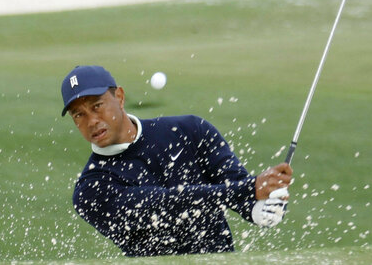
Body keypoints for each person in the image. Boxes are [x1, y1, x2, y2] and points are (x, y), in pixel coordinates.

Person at [61, 65, 293, 257]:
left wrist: (266, 204)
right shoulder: (90, 190)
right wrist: (249, 189)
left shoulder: (189, 130)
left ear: (119, 97)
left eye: (97, 106)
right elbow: (162, 205)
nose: (91, 121)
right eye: (79, 114)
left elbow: (242, 192)